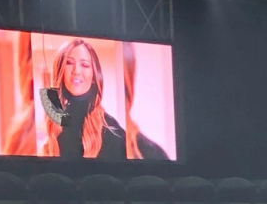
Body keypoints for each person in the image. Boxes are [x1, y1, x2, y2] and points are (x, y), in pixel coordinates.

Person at [34, 38, 167, 160]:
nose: (76, 71)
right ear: (60, 71)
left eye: (85, 65)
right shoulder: (55, 126)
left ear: (94, 77)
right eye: (69, 63)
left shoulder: (110, 128)